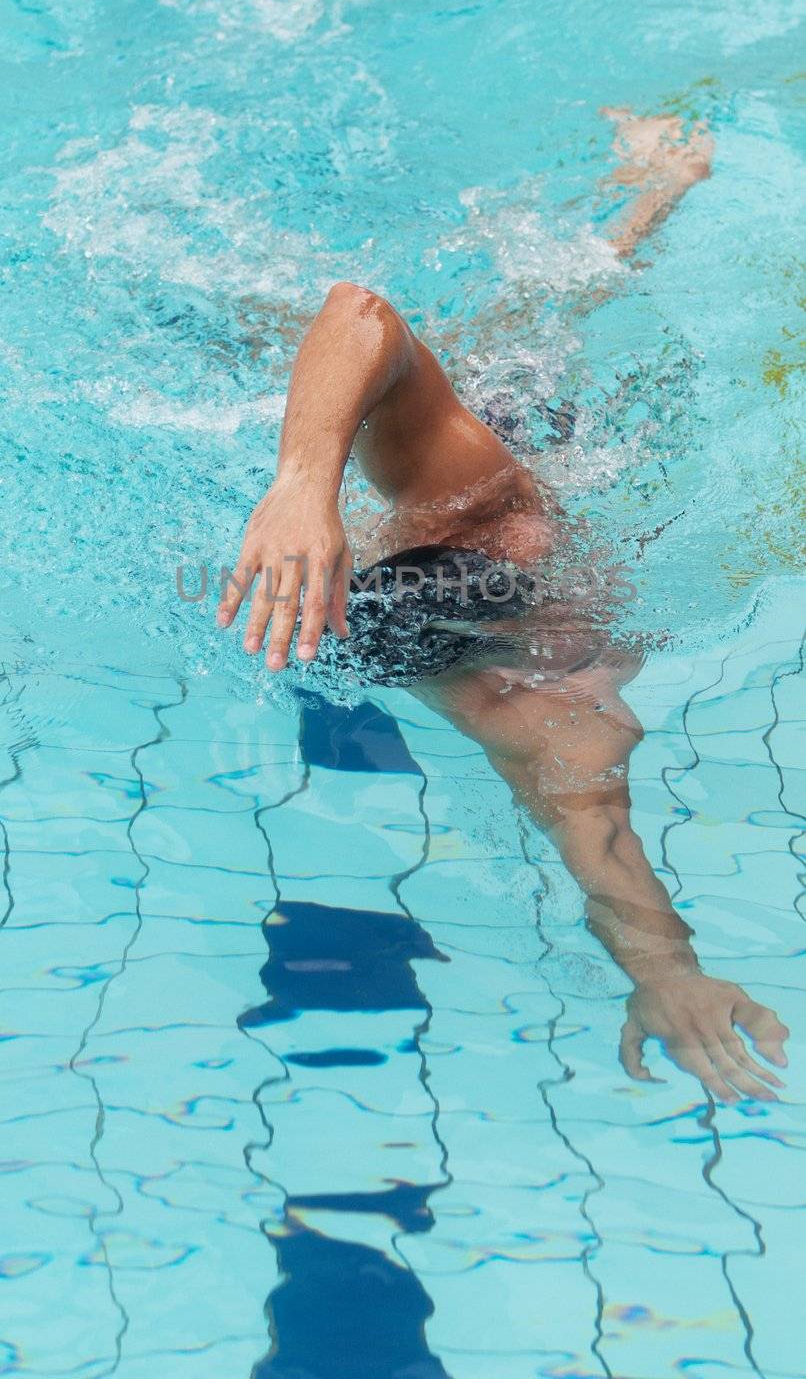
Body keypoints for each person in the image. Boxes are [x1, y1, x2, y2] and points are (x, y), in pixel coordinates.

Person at [217, 109, 788, 1104]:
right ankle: (656, 183)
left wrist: (303, 483)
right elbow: (596, 837)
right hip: (469, 492)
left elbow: (359, 310)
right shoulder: (535, 694)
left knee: (516, 349)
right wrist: (668, 976)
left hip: (445, 466)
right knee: (524, 343)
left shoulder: (477, 495)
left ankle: (655, 183)